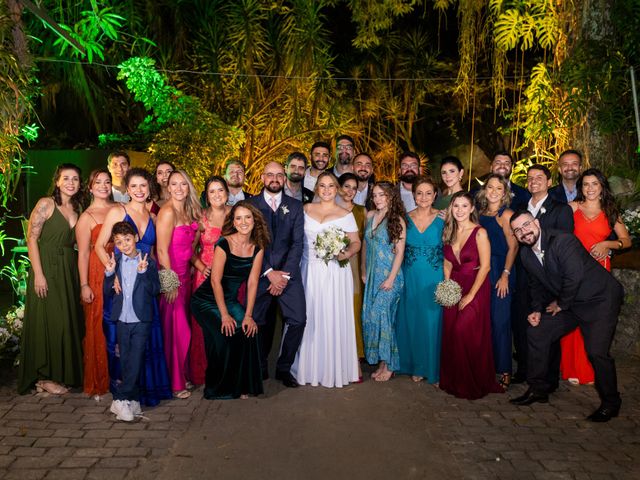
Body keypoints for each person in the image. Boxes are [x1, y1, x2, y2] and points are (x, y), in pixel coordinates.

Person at [509, 211, 624, 422]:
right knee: (537, 331)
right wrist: (536, 309)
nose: (524, 232)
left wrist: (561, 304)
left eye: (526, 225)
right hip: (570, 303)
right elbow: (536, 285)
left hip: (598, 299)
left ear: (536, 222)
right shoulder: (525, 254)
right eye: (517, 230)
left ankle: (611, 402)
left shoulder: (563, 240)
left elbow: (574, 276)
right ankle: (538, 389)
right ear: (515, 235)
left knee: (596, 352)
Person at [95, 168, 171, 406]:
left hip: (144, 287)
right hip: (122, 287)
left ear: (149, 188)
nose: (139, 190)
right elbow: (99, 245)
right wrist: (113, 271)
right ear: (127, 189)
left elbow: (159, 249)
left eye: (143, 186)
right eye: (134, 186)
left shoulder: (153, 216)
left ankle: (140, 393)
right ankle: (122, 395)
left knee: (145, 341)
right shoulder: (118, 211)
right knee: (122, 343)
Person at [18, 164, 85, 395]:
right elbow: (31, 239)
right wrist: (38, 274)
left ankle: (63, 373)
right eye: (66, 178)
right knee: (48, 320)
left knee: (66, 320)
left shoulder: (77, 209)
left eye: (75, 179)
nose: (70, 182)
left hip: (68, 269)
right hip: (46, 267)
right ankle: (43, 377)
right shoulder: (46, 204)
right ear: (57, 181)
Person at [561, 169, 632, 385]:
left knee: (595, 321)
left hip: (600, 270)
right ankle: (571, 367)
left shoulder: (610, 211)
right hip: (573, 270)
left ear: (602, 187)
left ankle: (589, 370)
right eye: (586, 184)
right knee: (573, 317)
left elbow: (626, 241)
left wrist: (608, 244)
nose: (590, 188)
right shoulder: (572, 208)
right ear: (580, 188)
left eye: (594, 184)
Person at [191, 202, 268, 399]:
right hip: (205, 300)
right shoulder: (223, 243)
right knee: (226, 334)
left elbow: (252, 283)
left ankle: (244, 386)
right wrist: (224, 315)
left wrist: (249, 316)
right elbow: (215, 281)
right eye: (239, 218)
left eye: (247, 217)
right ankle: (218, 389)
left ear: (254, 220)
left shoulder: (258, 247)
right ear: (233, 222)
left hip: (230, 300)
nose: (244, 222)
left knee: (248, 330)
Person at [291, 172, 362, 387]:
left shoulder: (345, 213)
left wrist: (345, 254)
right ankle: (309, 366)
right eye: (322, 185)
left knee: (332, 316)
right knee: (310, 316)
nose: (327, 189)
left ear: (337, 188)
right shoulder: (305, 210)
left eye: (331, 185)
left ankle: (334, 367)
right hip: (309, 271)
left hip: (335, 274)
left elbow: (356, 243)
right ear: (317, 189)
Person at [511, 164, 574, 385]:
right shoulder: (518, 207)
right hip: (523, 274)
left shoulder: (560, 209)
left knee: (549, 326)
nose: (533, 181)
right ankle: (525, 370)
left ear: (549, 182)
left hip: (549, 278)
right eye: (529, 178)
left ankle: (549, 378)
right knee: (522, 322)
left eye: (539, 177)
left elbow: (565, 246)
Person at [439, 192, 503, 399]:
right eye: (455, 206)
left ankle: (473, 380)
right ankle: (455, 379)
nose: (459, 210)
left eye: (464, 206)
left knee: (463, 331)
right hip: (454, 286)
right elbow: (447, 261)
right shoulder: (448, 231)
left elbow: (485, 267)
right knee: (451, 332)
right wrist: (447, 282)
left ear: (472, 208)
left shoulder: (480, 233)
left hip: (475, 286)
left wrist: (470, 296)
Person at [249, 162, 306, 388]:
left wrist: (284, 275)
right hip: (260, 273)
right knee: (258, 321)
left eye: (279, 175)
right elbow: (249, 242)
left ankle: (284, 368)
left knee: (298, 320)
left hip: (288, 275)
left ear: (284, 178)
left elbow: (297, 243)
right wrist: (269, 272)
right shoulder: (251, 204)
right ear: (263, 177)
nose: (275, 178)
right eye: (270, 175)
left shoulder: (295, 205)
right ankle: (260, 366)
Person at [103, 222, 160, 421]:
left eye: (127, 239)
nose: (124, 244)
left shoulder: (147, 261)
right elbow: (106, 292)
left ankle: (119, 398)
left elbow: (154, 290)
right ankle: (132, 400)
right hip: (121, 319)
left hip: (141, 319)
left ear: (135, 237)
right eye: (119, 242)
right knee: (127, 361)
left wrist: (143, 273)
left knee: (135, 359)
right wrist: (109, 275)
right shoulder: (115, 262)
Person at [156, 170, 201, 399]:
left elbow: (191, 248)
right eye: (175, 184)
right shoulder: (167, 212)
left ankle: (181, 375)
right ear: (168, 187)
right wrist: (169, 282)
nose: (179, 188)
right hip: (172, 278)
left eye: (184, 183)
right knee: (176, 329)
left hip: (187, 277)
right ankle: (174, 383)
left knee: (183, 330)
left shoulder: (190, 210)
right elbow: (162, 249)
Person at [396, 176, 444, 384]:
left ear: (434, 196)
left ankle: (432, 365)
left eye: (428, 193)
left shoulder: (444, 218)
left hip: (435, 275)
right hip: (411, 275)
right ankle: (416, 365)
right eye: (419, 193)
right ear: (413, 195)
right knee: (412, 319)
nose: (423, 197)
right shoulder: (404, 218)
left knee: (432, 321)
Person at [476, 174, 518, 389]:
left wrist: (505, 274)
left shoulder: (506, 214)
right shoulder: (480, 213)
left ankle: (505, 370)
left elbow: (514, 247)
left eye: (498, 188)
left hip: (501, 272)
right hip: (483, 270)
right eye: (490, 187)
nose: (493, 191)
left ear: (505, 192)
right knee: (486, 321)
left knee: (501, 322)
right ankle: (488, 366)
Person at [361, 181, 406, 382]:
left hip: (390, 277)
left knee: (384, 318)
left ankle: (390, 365)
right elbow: (365, 245)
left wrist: (390, 279)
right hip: (372, 276)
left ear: (391, 196)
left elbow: (399, 254)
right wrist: (363, 270)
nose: (377, 199)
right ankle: (381, 361)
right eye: (375, 195)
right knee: (372, 319)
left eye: (382, 195)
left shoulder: (397, 220)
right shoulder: (370, 216)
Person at [76, 168, 114, 397]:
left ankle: (120, 374)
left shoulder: (119, 208)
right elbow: (82, 254)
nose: (103, 185)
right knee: (99, 323)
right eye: (98, 182)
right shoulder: (86, 217)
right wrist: (84, 284)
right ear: (90, 187)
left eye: (107, 182)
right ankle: (101, 378)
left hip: (120, 266)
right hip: (97, 272)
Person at [190, 175, 230, 386]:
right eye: (212, 191)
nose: (217, 195)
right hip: (205, 275)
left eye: (220, 190)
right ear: (207, 195)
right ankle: (204, 372)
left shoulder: (236, 215)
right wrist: (202, 267)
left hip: (230, 276)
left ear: (227, 192)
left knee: (229, 322)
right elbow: (189, 249)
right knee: (205, 325)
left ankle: (227, 371)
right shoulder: (200, 218)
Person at [338, 173, 367, 365]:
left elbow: (365, 242)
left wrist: (364, 267)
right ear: (339, 187)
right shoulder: (331, 209)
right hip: (333, 261)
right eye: (346, 186)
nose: (350, 191)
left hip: (354, 262)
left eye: (354, 188)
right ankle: (337, 349)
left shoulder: (362, 211)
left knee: (354, 305)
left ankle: (354, 353)